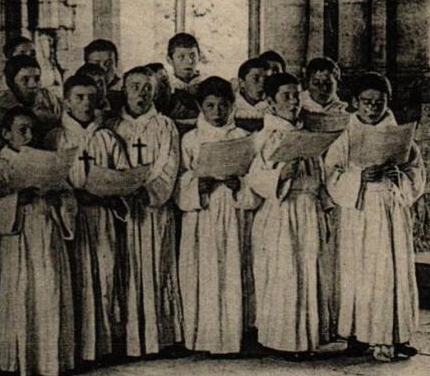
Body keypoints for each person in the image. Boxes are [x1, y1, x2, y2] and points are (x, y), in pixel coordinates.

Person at [323, 72, 425, 362]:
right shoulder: (345, 136)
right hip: (359, 211)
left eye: (379, 102)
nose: (372, 108)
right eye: (366, 101)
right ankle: (357, 335)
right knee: (358, 271)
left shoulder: (400, 135)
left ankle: (395, 335)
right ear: (355, 102)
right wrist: (359, 177)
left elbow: (417, 173)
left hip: (390, 210)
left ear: (387, 102)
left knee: (390, 272)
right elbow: (331, 174)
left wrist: (398, 175)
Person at [45, 74, 132, 363]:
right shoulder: (56, 138)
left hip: (102, 217)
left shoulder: (106, 137)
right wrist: (71, 196)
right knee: (75, 279)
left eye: (91, 98)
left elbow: (123, 175)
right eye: (79, 97)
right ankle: (76, 348)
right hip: (70, 219)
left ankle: (104, 347)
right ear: (66, 102)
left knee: (105, 276)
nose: (86, 103)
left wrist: (112, 193)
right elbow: (46, 177)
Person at [248, 72, 331, 357]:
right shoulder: (265, 137)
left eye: (297, 95)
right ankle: (283, 341)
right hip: (281, 211)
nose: (294, 102)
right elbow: (254, 178)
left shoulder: (307, 133)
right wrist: (280, 175)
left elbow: (320, 174)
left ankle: (307, 338)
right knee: (285, 273)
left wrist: (324, 207)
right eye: (286, 96)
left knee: (308, 270)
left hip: (308, 208)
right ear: (271, 102)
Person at [0, 108, 76, 376]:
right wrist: (17, 200)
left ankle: (51, 359)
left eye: (32, 130)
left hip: (47, 232)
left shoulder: (49, 160)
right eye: (22, 130)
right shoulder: (1, 166)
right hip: (19, 237)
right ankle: (22, 361)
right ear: (6, 134)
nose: (29, 135)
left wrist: (58, 201)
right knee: (21, 291)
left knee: (49, 288)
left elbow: (68, 197)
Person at [175, 77, 256, 355]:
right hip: (204, 213)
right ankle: (203, 337)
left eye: (223, 105)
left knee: (233, 268)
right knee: (203, 271)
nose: (217, 112)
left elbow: (253, 178)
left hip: (232, 210)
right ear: (201, 107)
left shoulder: (243, 137)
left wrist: (240, 185)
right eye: (210, 106)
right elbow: (181, 178)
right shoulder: (191, 139)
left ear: (232, 106)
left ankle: (235, 336)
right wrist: (196, 185)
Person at [112, 66, 182, 356]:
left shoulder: (165, 125)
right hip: (123, 211)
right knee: (124, 270)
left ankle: (159, 339)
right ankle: (126, 340)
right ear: (124, 90)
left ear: (155, 92)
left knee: (157, 267)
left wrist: (149, 191)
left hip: (153, 210)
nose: (141, 93)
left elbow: (169, 165)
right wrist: (119, 189)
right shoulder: (113, 126)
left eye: (147, 88)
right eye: (135, 86)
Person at [0, 54, 62, 142]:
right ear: (11, 83)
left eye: (37, 79)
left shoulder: (48, 97)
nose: (33, 85)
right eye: (25, 80)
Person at [164, 33, 204, 132]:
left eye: (192, 55)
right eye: (181, 57)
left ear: (199, 57)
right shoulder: (165, 87)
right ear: (169, 60)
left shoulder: (207, 85)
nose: (189, 61)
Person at [83, 38, 123, 111]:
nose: (103, 69)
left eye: (108, 63)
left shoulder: (125, 91)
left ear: (116, 64)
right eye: (96, 64)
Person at [233, 58, 270, 133]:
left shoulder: (272, 106)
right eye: (256, 78)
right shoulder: (232, 107)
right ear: (241, 82)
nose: (262, 84)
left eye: (266, 79)